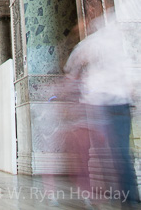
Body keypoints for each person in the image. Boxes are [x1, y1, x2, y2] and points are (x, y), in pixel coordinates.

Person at [65, 13, 139, 206]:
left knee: (105, 152)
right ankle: (128, 198)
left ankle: (112, 196)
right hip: (120, 101)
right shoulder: (116, 39)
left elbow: (71, 68)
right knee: (121, 153)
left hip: (102, 105)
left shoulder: (91, 43)